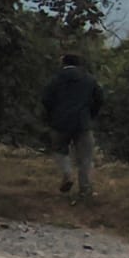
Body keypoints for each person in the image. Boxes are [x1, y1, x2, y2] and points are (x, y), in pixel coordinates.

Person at [42, 53, 104, 200]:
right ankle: (85, 190)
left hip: (60, 122)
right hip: (82, 122)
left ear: (63, 63)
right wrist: (90, 115)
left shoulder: (56, 79)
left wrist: (53, 114)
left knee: (59, 149)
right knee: (86, 158)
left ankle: (67, 173)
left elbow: (45, 99)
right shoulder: (89, 79)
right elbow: (100, 98)